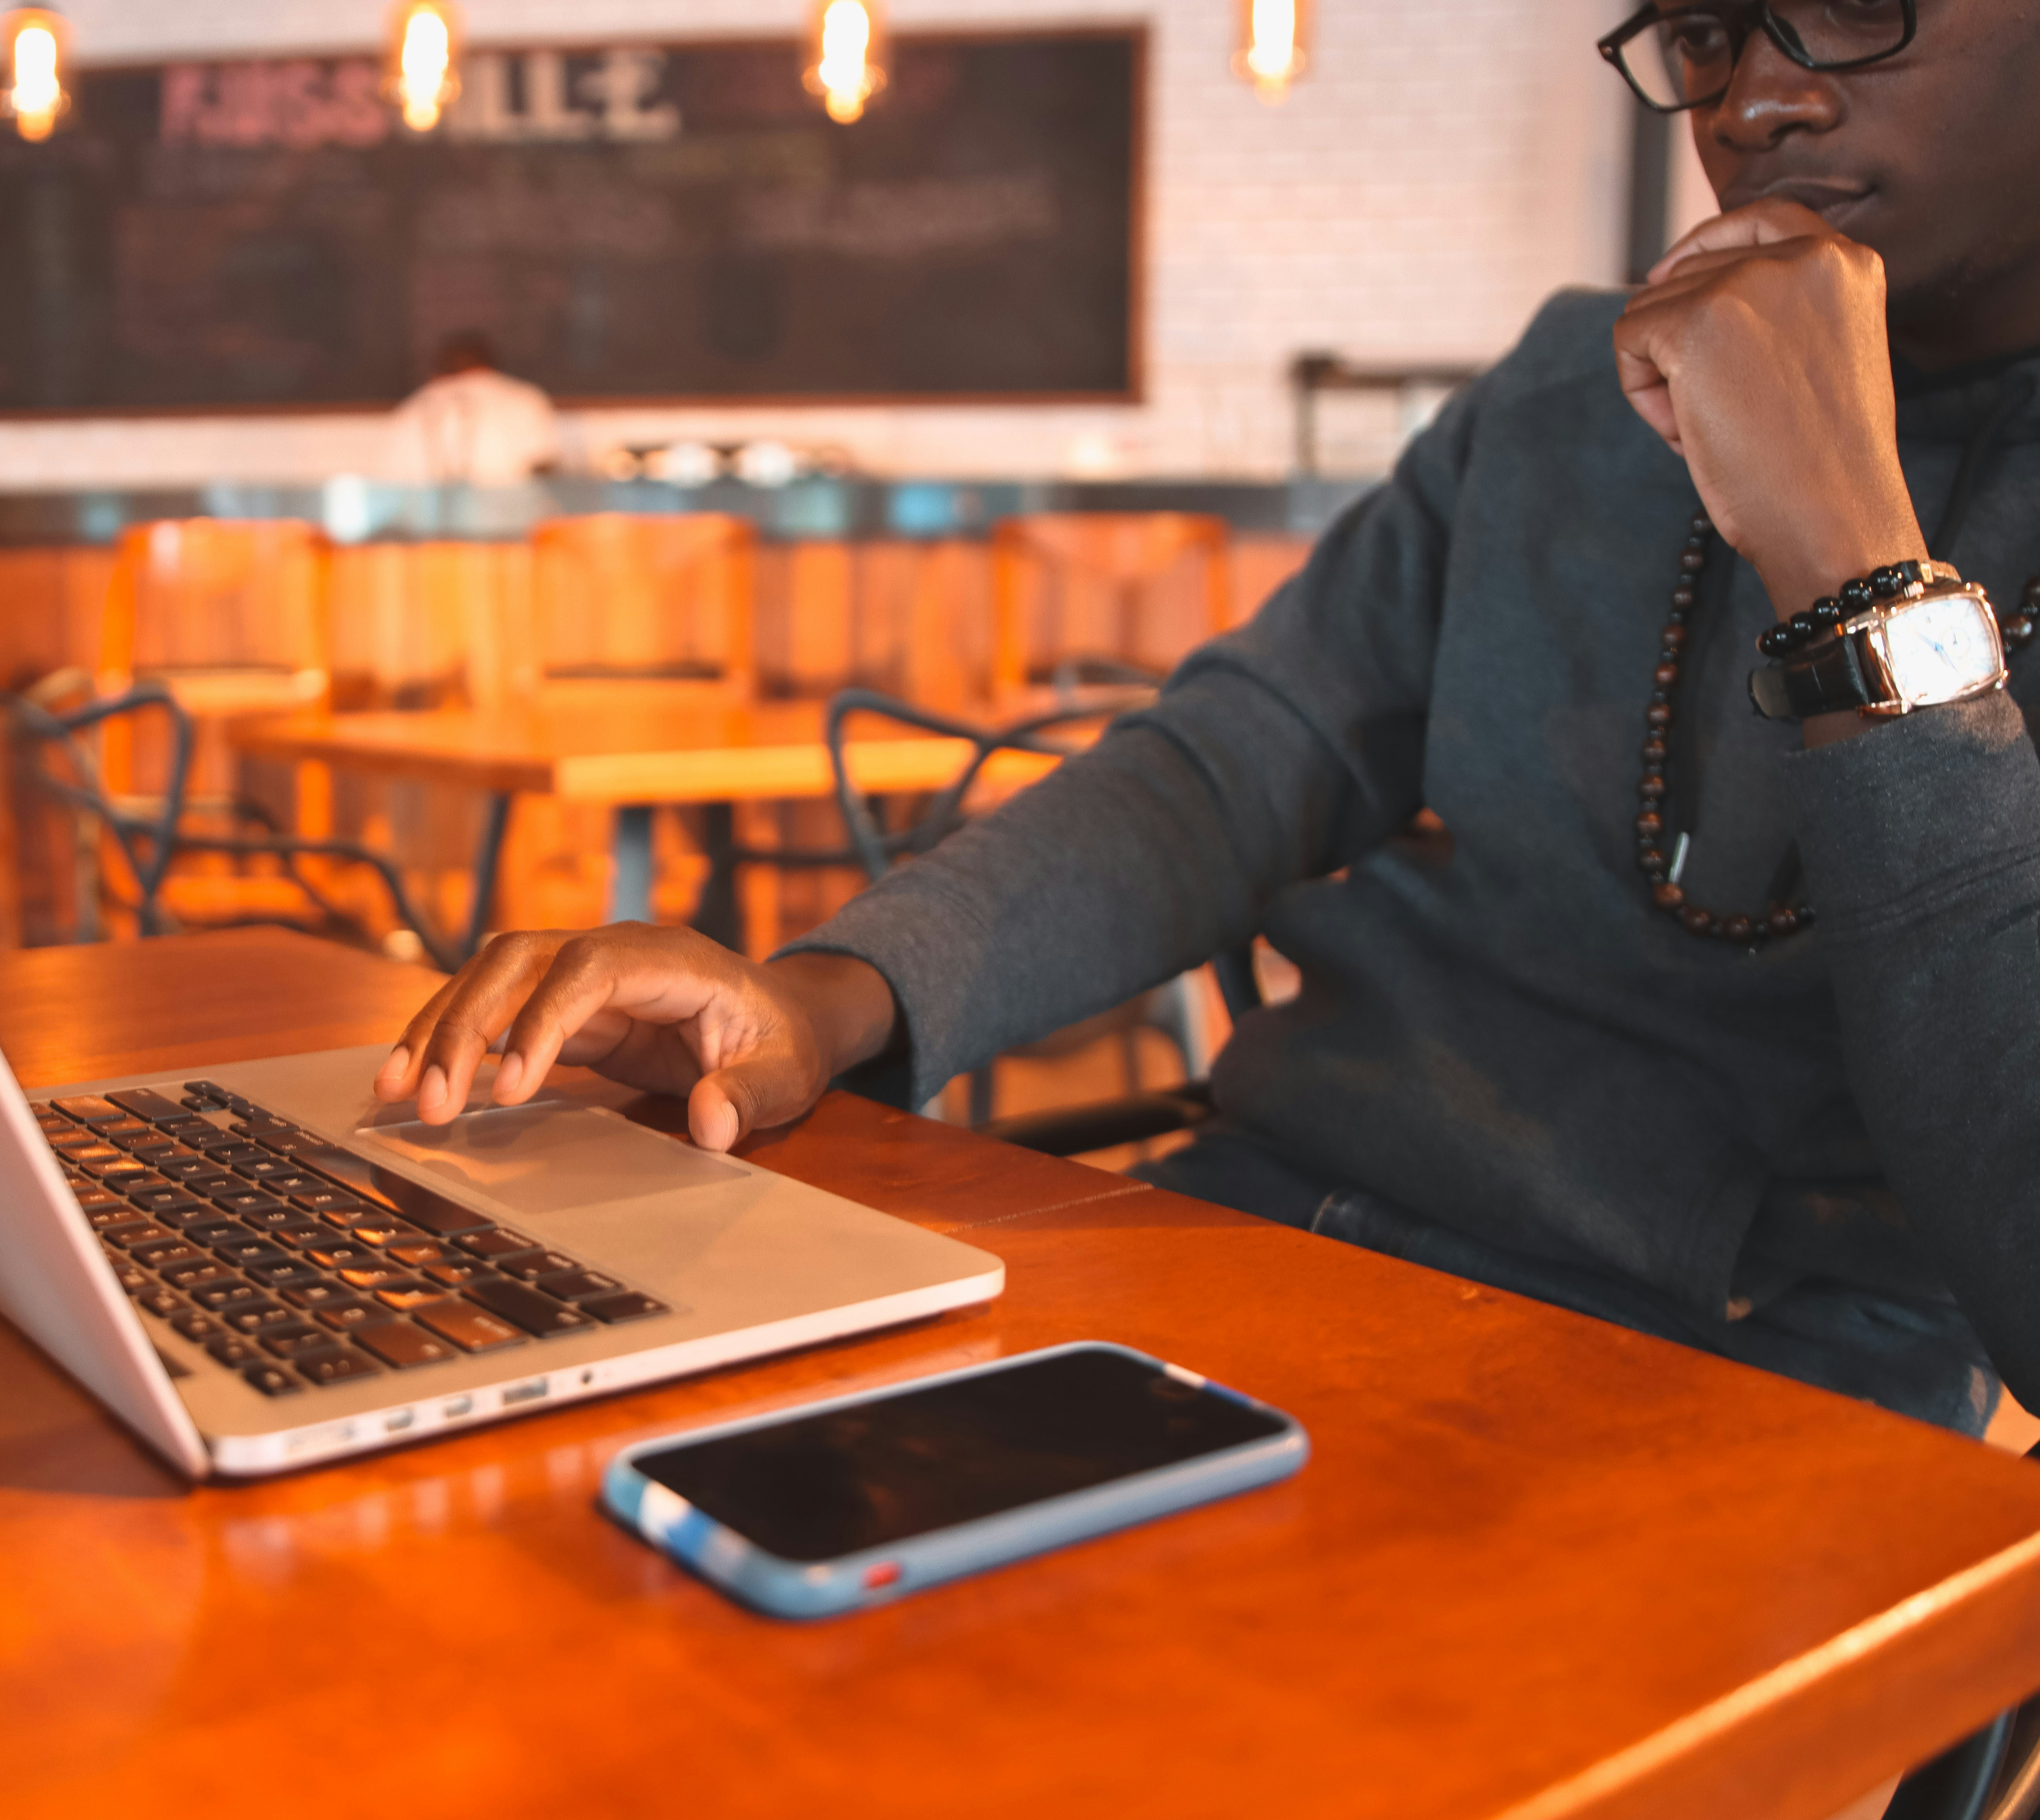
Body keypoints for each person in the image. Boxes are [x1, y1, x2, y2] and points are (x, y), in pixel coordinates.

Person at [371, 0, 2040, 1438]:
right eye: (1699, 32)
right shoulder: (1563, 390)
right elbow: (1246, 755)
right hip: (1267, 1223)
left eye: (1847, 4)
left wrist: (1850, 561)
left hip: (1750, 1377)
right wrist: (825, 994)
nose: (1752, 96)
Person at [382, 331, 560, 485]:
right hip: (508, 518)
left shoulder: (411, 409)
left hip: (424, 522)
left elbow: (390, 480)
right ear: (490, 365)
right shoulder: (524, 399)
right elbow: (544, 470)